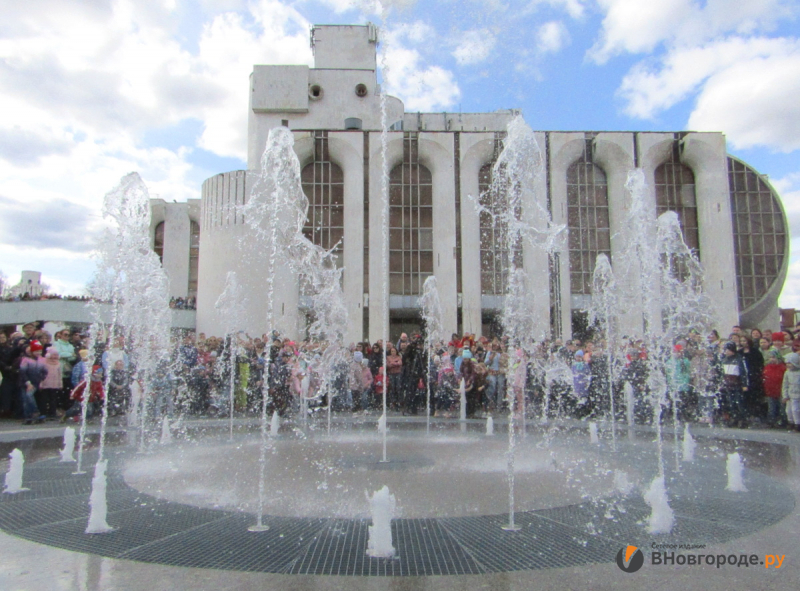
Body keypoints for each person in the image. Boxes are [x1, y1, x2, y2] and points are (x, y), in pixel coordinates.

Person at [18, 340, 47, 423]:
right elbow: (23, 372)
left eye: (40, 351)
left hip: (36, 382)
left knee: (29, 397)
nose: (38, 352)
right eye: (36, 351)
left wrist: (41, 381)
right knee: (27, 398)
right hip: (26, 382)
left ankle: (32, 414)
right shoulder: (26, 360)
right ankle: (32, 413)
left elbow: (45, 372)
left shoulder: (42, 360)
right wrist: (28, 383)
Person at [763, 349, 786, 427]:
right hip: (770, 390)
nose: (772, 359)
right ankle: (771, 421)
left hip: (780, 390)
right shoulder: (767, 367)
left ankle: (783, 421)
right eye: (770, 357)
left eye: (774, 357)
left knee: (782, 408)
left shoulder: (783, 367)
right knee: (771, 407)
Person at [781, 352, 800, 432]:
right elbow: (785, 384)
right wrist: (785, 395)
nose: (788, 365)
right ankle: (791, 422)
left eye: (790, 363)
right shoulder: (787, 372)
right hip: (789, 394)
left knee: (796, 410)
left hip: (797, 394)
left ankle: (797, 424)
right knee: (788, 410)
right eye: (787, 363)